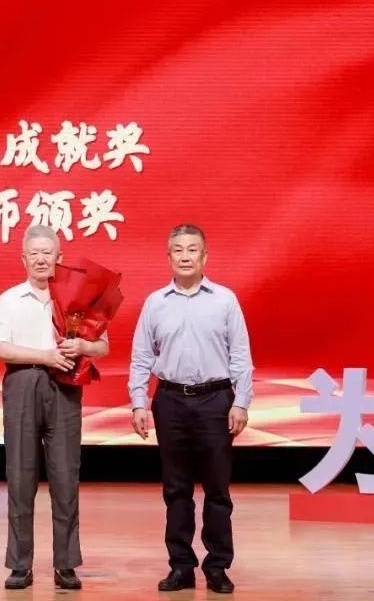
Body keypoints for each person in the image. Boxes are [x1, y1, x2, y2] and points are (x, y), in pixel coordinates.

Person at [128, 223, 253, 595]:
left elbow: (240, 356)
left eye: (192, 249)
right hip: (170, 401)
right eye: (178, 250)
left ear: (204, 256)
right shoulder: (155, 303)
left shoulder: (225, 300)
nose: (185, 256)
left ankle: (217, 566)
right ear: (168, 257)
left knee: (217, 489)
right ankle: (181, 566)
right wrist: (138, 402)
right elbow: (141, 358)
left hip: (216, 400)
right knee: (176, 489)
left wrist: (241, 401)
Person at [0, 224, 108, 590]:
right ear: (23, 259)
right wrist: (45, 356)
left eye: (47, 253)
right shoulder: (10, 299)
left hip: (65, 388)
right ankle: (19, 565)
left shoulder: (76, 298)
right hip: (23, 383)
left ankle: (66, 564)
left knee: (66, 476)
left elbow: (102, 345)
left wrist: (82, 348)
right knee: (20, 476)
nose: (41, 259)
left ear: (59, 257)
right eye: (34, 253)